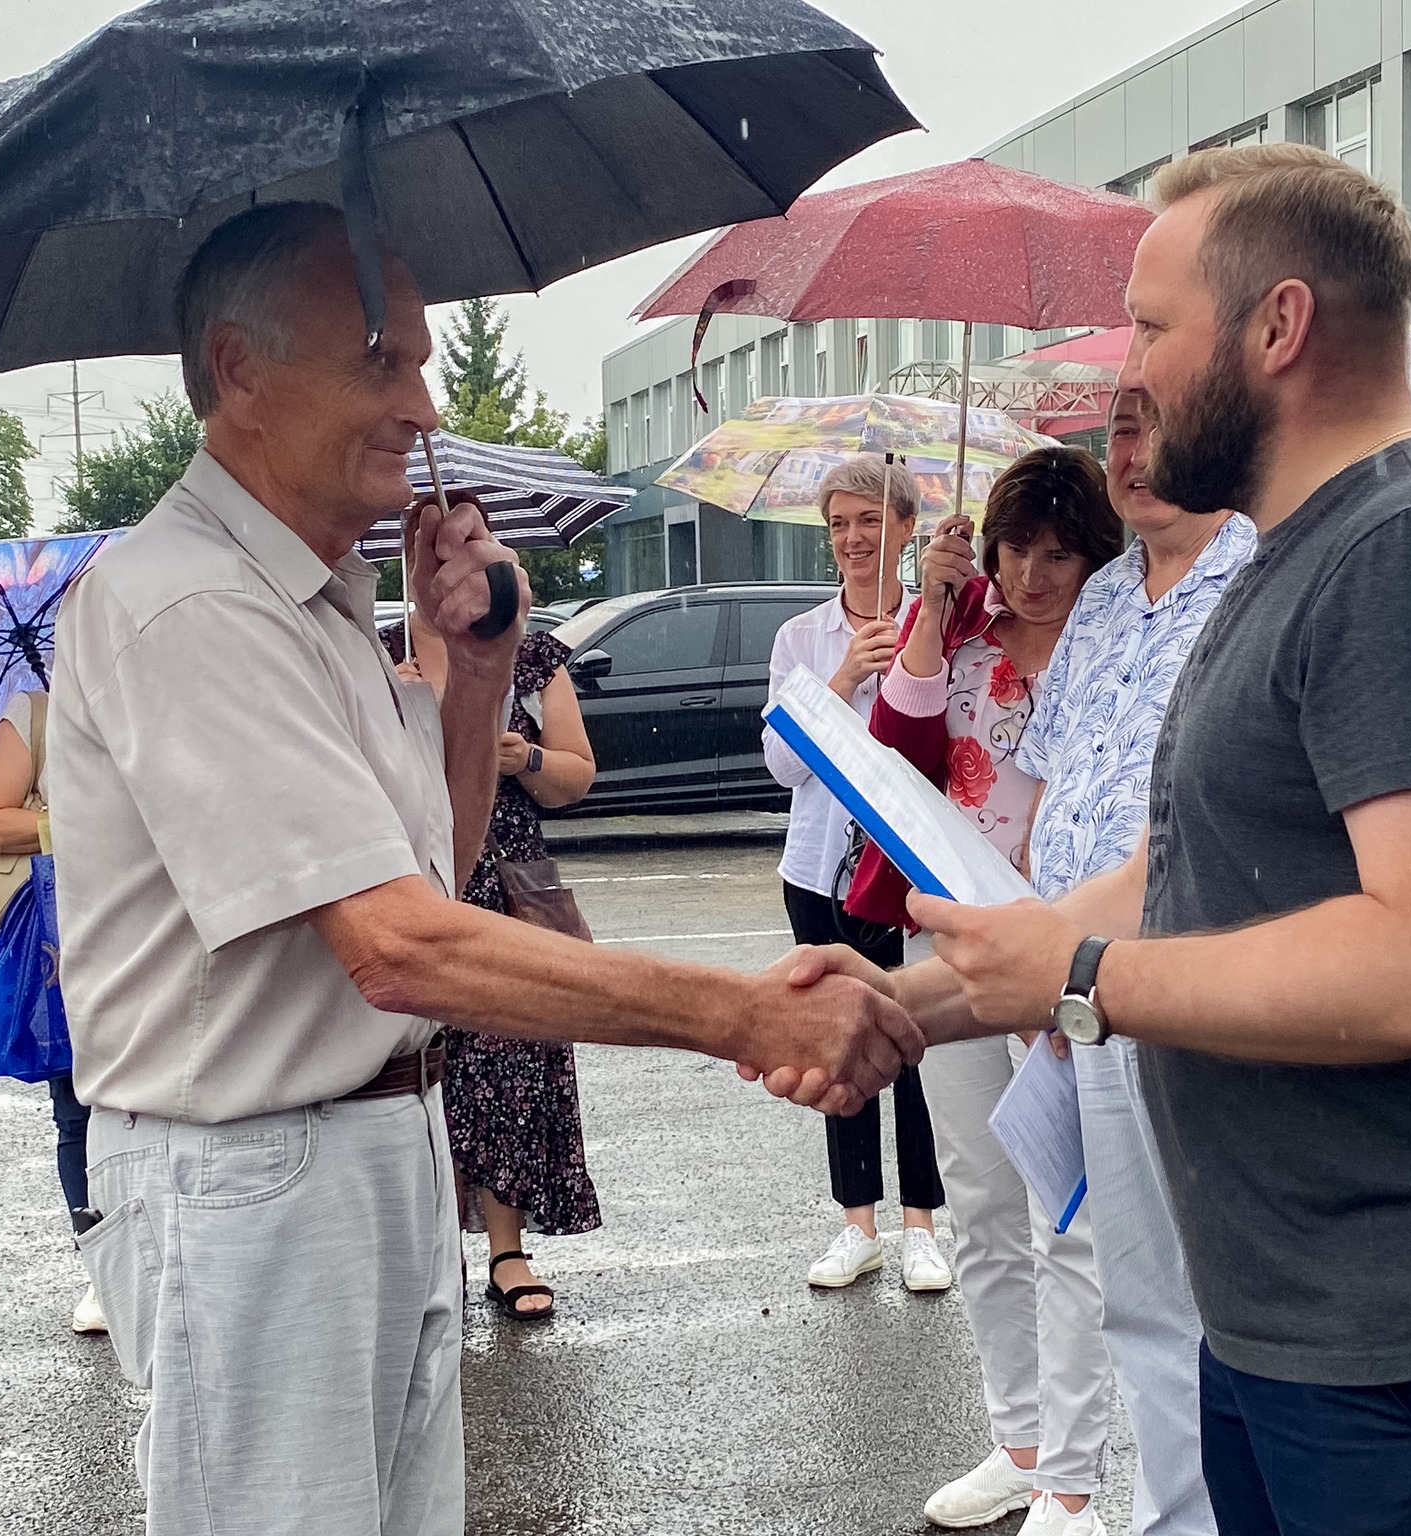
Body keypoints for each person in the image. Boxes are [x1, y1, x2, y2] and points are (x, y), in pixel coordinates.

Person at [767, 143, 1411, 1535]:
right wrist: (909, 1005)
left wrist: (1079, 980)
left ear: (1278, 325)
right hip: (1291, 1325)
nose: (1128, 373)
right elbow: (1180, 874)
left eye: (1151, 327)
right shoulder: (1296, 551)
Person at [47, 200, 919, 1536]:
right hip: (251, 1175)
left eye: (419, 359)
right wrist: (741, 1015)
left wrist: (478, 669)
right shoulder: (191, 603)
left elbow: (437, 872)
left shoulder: (317, 601)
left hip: (371, 1143)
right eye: (381, 359)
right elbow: (396, 948)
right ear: (239, 370)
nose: (422, 402)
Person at [846, 447, 1125, 1535]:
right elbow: (892, 747)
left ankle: (1072, 1483)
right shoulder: (962, 627)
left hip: (1066, 949)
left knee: (1068, 1217)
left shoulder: (1118, 647)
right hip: (951, 936)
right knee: (981, 1200)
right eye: (1014, 549)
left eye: (1058, 555)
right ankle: (1018, 1442)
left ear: (1093, 556)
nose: (1031, 575)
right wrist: (931, 599)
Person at [1016, 389, 1250, 1536]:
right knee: (1137, 1300)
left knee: (1216, 1306)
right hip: (1084, 995)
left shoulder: (1256, 577)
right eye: (1117, 429)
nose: (1133, 453)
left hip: (1193, 990)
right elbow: (1052, 782)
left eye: (1157, 424)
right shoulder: (1105, 596)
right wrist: (1039, 959)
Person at [763, 453, 948, 1292]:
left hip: (906, 873)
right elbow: (781, 764)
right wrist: (839, 681)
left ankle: (922, 1226)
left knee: (915, 1042)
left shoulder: (936, 626)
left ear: (905, 527)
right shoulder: (800, 639)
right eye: (838, 524)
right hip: (819, 872)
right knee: (839, 1045)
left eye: (869, 521)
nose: (852, 539)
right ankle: (856, 1223)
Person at [399, 594, 602, 1323]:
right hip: (413, 877)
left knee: (512, 1059)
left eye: (476, 541)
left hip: (508, 880)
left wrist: (529, 758)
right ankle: (430, 1253)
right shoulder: (378, 649)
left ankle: (506, 1250)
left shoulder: (534, 656)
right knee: (421, 1063)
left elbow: (577, 776)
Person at [0, 687, 102, 1337]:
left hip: (169, 922)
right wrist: (82, 822)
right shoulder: (36, 713)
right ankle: (105, 1271)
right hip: (68, 932)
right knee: (77, 1106)